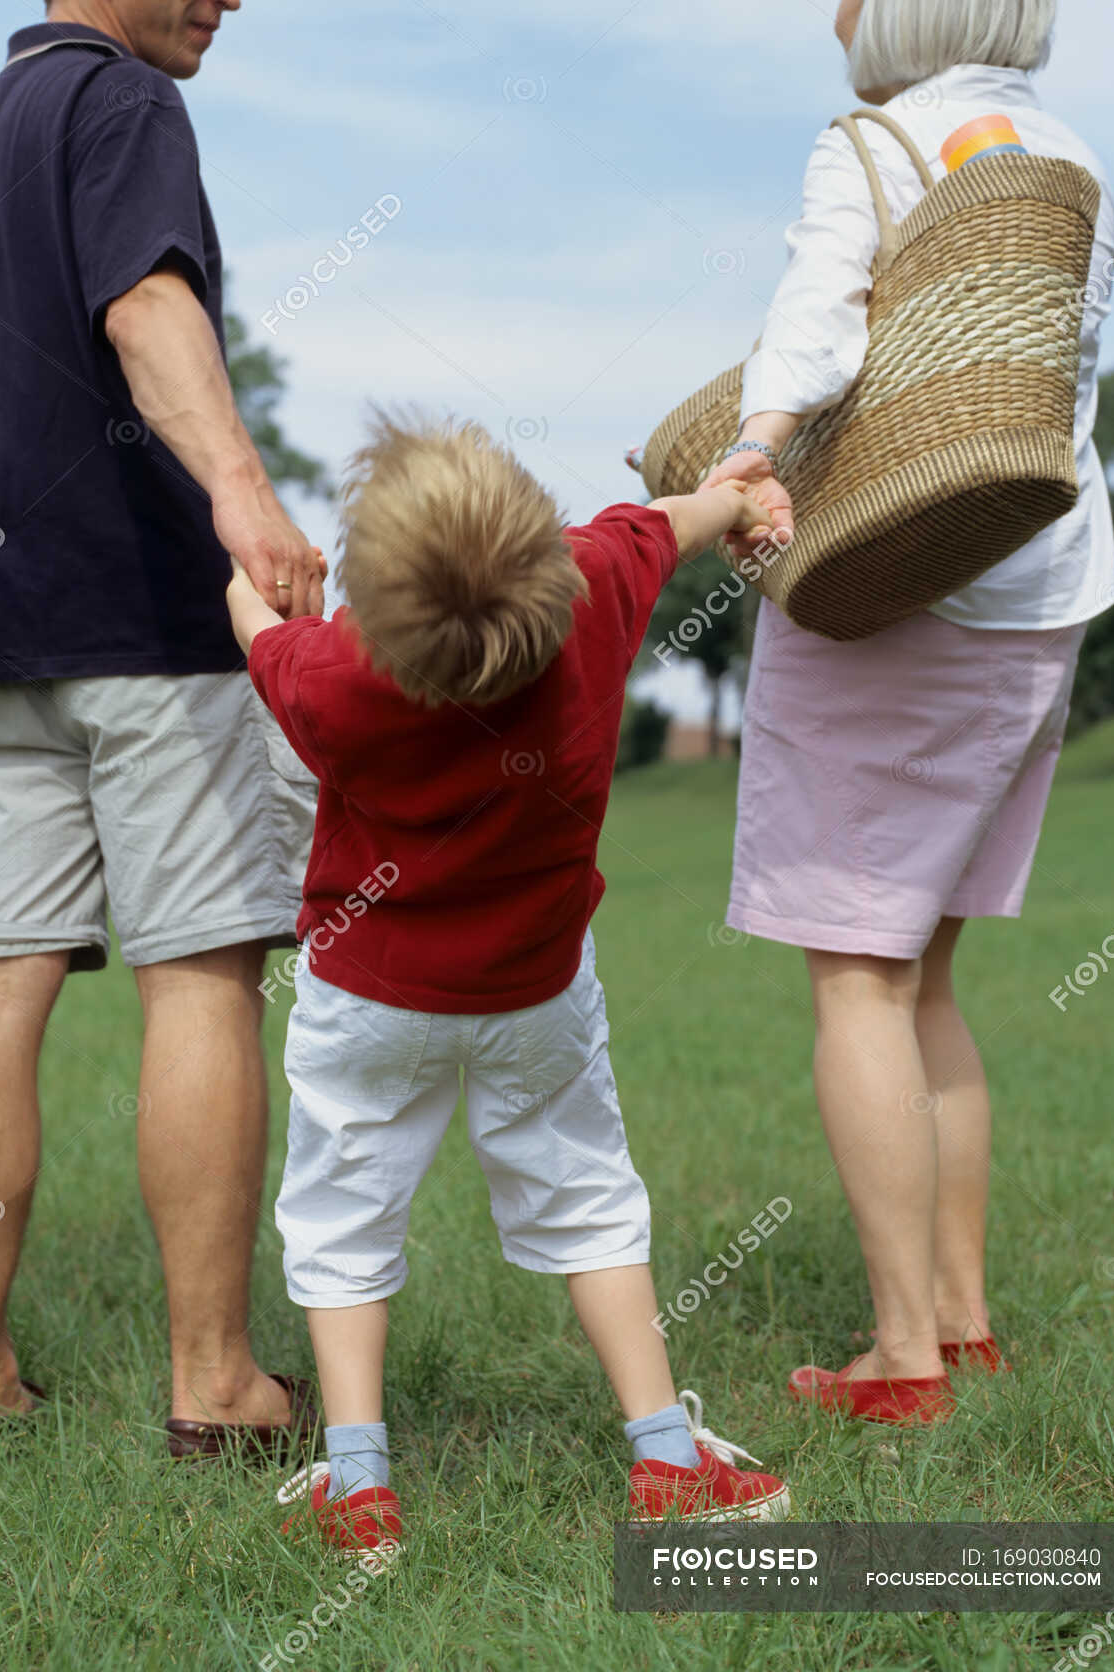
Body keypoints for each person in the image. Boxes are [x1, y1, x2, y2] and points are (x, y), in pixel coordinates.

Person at [0, 0, 326, 1454]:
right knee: (201, 971)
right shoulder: (120, 105)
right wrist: (244, 492)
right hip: (134, 619)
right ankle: (214, 1387)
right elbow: (143, 304)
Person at [693, 0, 1114, 1423]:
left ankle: (900, 1358)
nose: (835, 11)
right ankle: (964, 1314)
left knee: (856, 981)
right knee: (926, 973)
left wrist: (748, 460)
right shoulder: (1062, 153)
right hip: (1043, 596)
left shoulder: (869, 147)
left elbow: (816, 326)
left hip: (900, 601)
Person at [228, 411, 791, 1556]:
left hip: (366, 997)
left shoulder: (334, 674)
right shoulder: (588, 590)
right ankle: (666, 1460)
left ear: (379, 604)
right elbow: (668, 521)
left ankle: (359, 1485)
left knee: (341, 1214)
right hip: (535, 990)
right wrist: (739, 497)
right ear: (536, 541)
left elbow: (259, 631)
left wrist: (252, 574)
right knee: (586, 1194)